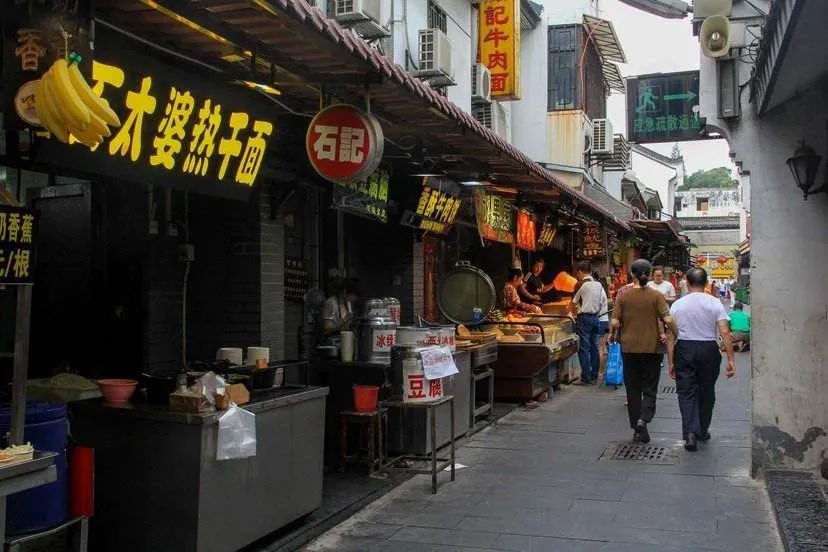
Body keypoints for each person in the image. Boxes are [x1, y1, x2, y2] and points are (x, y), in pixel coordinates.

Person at [668, 268, 737, 451]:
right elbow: (724, 331)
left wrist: (671, 361)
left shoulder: (678, 305)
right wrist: (731, 359)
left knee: (686, 392)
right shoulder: (715, 303)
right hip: (708, 349)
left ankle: (690, 432)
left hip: (684, 348)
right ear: (706, 283)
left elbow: (669, 336)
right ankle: (702, 429)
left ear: (687, 283)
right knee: (707, 390)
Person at [611, 259, 677, 443]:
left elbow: (615, 321)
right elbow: (668, 319)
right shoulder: (656, 296)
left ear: (632, 274)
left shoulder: (623, 296)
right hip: (652, 349)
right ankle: (643, 419)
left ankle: (637, 427)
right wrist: (678, 334)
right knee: (649, 388)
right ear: (648, 275)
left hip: (629, 348)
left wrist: (611, 334)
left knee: (632, 389)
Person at [570, 261, 607, 385]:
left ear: (580, 272)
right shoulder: (599, 285)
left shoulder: (580, 284)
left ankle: (586, 378)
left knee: (584, 348)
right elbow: (603, 301)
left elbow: (573, 302)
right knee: (594, 347)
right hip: (596, 318)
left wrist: (573, 314)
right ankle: (594, 375)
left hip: (584, 318)